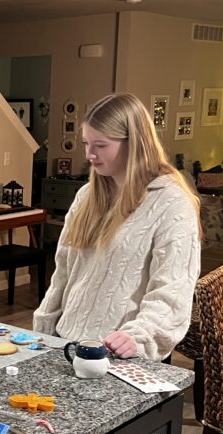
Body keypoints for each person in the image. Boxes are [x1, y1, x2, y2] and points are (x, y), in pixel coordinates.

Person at [32, 92, 201, 361]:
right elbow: (64, 273)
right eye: (86, 143)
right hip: (67, 342)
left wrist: (137, 337)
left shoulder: (172, 204)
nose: (89, 154)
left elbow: (172, 291)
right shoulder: (86, 196)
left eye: (101, 145)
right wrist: (42, 329)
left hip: (121, 353)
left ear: (134, 143)